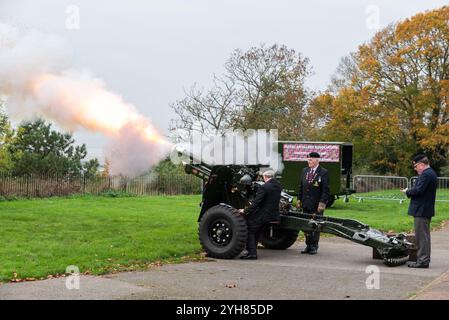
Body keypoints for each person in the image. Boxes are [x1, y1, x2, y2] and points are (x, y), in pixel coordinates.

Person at [400, 154, 437, 268]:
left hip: (422, 210)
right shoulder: (430, 173)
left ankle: (422, 261)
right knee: (424, 236)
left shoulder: (426, 174)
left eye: (416, 166)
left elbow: (418, 190)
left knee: (422, 237)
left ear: (421, 164)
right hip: (424, 209)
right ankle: (424, 259)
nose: (415, 169)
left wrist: (407, 191)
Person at [238, 169, 282, 260]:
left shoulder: (264, 187)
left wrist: (245, 211)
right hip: (273, 214)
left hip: (264, 214)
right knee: (256, 229)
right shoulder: (278, 185)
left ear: (265, 177)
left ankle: (252, 253)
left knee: (250, 228)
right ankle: (252, 250)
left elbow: (256, 203)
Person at [297, 152, 330, 255]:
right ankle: (308, 245)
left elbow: (326, 190)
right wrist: (298, 199)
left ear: (317, 160)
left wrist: (322, 204)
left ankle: (314, 246)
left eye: (311, 159)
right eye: (308, 159)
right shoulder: (305, 170)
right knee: (306, 225)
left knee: (315, 226)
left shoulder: (323, 172)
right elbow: (300, 187)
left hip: (316, 204)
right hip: (305, 203)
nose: (309, 161)